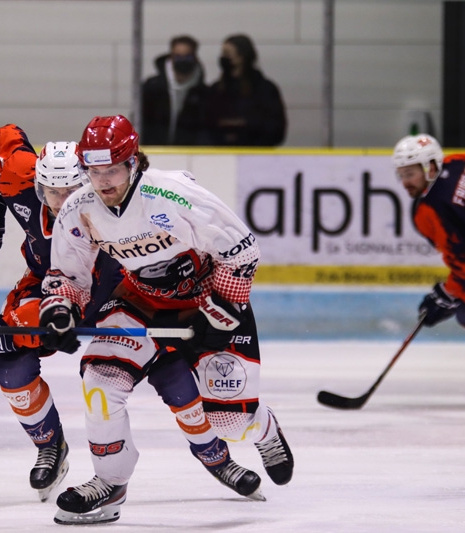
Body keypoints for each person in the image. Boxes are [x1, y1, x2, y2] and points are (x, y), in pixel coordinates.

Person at [39, 115, 294, 524]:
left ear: (133, 162)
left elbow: (242, 250)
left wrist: (223, 311)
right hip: (141, 298)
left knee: (229, 420)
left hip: (206, 296)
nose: (103, 182)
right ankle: (110, 483)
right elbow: (69, 276)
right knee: (101, 381)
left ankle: (263, 429)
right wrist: (59, 309)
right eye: (93, 171)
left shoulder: (173, 193)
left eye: (113, 170)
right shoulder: (78, 207)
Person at [0, 125, 122, 501]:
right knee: (11, 366)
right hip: (44, 280)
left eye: (71, 191)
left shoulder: (108, 218)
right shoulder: (22, 175)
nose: (60, 201)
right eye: (51, 191)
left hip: (104, 293)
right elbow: (1, 139)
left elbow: (85, 302)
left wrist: (3, 327)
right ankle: (50, 445)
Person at [392, 134, 465, 328]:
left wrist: (448, 293)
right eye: (401, 175)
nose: (405, 182)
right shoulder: (456, 161)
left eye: (410, 174)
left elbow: (461, 261)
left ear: (430, 168)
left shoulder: (429, 212)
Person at [202, 34, 286, 146]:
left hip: (255, 155)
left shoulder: (265, 89)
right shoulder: (216, 90)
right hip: (220, 155)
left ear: (242, 57)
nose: (223, 57)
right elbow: (205, 124)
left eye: (227, 54)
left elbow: (275, 128)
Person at [140, 34, 207, 146]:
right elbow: (142, 122)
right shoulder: (152, 87)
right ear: (171, 57)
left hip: (189, 153)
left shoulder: (203, 92)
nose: (183, 61)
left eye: (187, 57)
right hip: (154, 151)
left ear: (195, 57)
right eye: (178, 56)